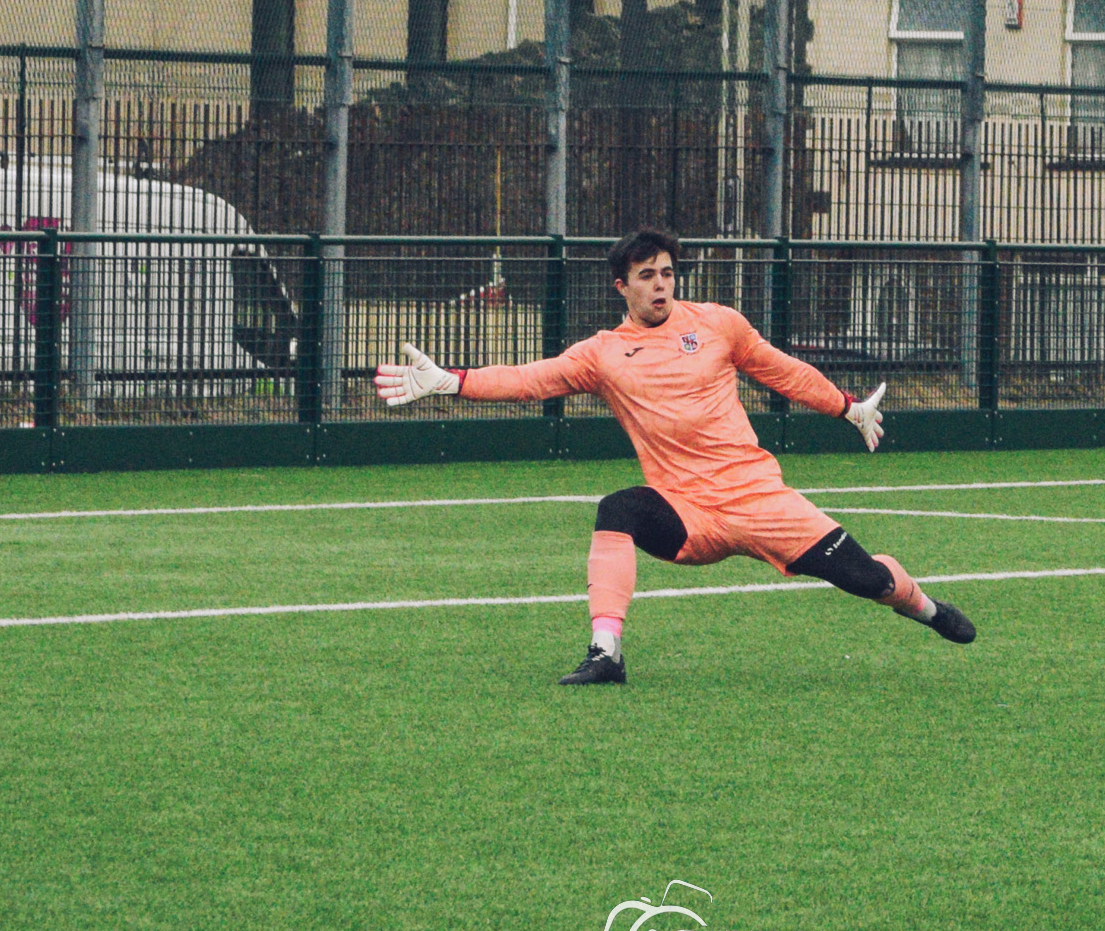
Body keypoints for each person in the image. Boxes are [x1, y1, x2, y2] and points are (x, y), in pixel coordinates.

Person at [373, 227, 977, 685]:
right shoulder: (604, 353)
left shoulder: (717, 324)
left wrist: (847, 407)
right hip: (691, 514)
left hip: (762, 499)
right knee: (620, 508)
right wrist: (453, 381)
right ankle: (606, 652)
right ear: (622, 286)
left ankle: (925, 607)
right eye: (646, 275)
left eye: (666, 272)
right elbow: (532, 378)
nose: (660, 283)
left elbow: (781, 372)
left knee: (867, 579)